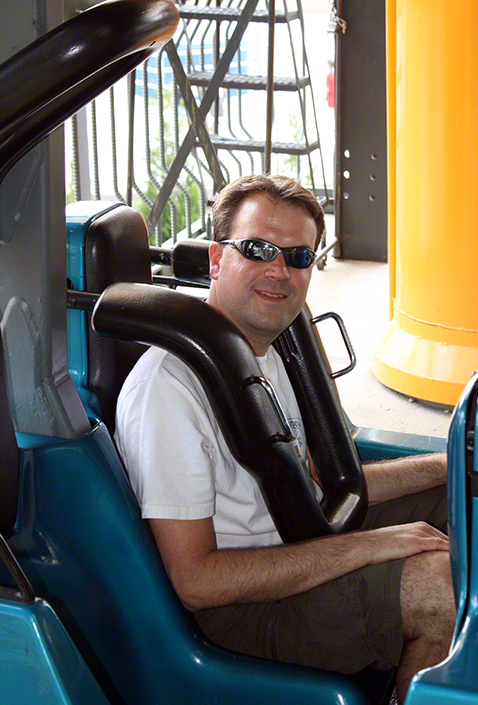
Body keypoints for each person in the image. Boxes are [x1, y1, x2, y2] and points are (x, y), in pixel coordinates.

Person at [114, 174, 455, 703]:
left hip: (302, 536)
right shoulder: (168, 386)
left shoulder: (270, 350)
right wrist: (369, 547)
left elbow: (325, 482)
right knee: (439, 585)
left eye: (298, 257)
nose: (279, 270)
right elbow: (197, 581)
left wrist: (448, 463)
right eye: (257, 249)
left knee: (475, 490)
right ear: (215, 259)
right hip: (241, 611)